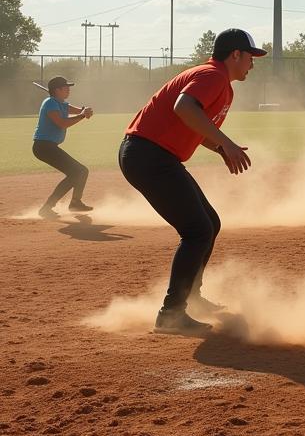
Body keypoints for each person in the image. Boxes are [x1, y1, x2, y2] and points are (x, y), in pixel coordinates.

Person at [118, 28, 264, 336]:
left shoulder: (220, 83)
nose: (253, 64)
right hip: (149, 156)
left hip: (155, 156)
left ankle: (191, 297)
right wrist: (226, 142)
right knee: (197, 230)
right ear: (235, 54)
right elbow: (184, 108)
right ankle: (171, 314)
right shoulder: (212, 76)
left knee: (210, 222)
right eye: (251, 57)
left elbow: (194, 125)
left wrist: (221, 147)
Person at [32, 75, 94, 219]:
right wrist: (82, 115)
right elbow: (62, 123)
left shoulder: (61, 104)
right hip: (43, 147)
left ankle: (75, 203)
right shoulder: (50, 103)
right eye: (66, 87)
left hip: (49, 147)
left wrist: (85, 111)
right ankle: (47, 207)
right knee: (77, 172)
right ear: (57, 90)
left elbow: (78, 110)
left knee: (81, 171)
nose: (68, 89)